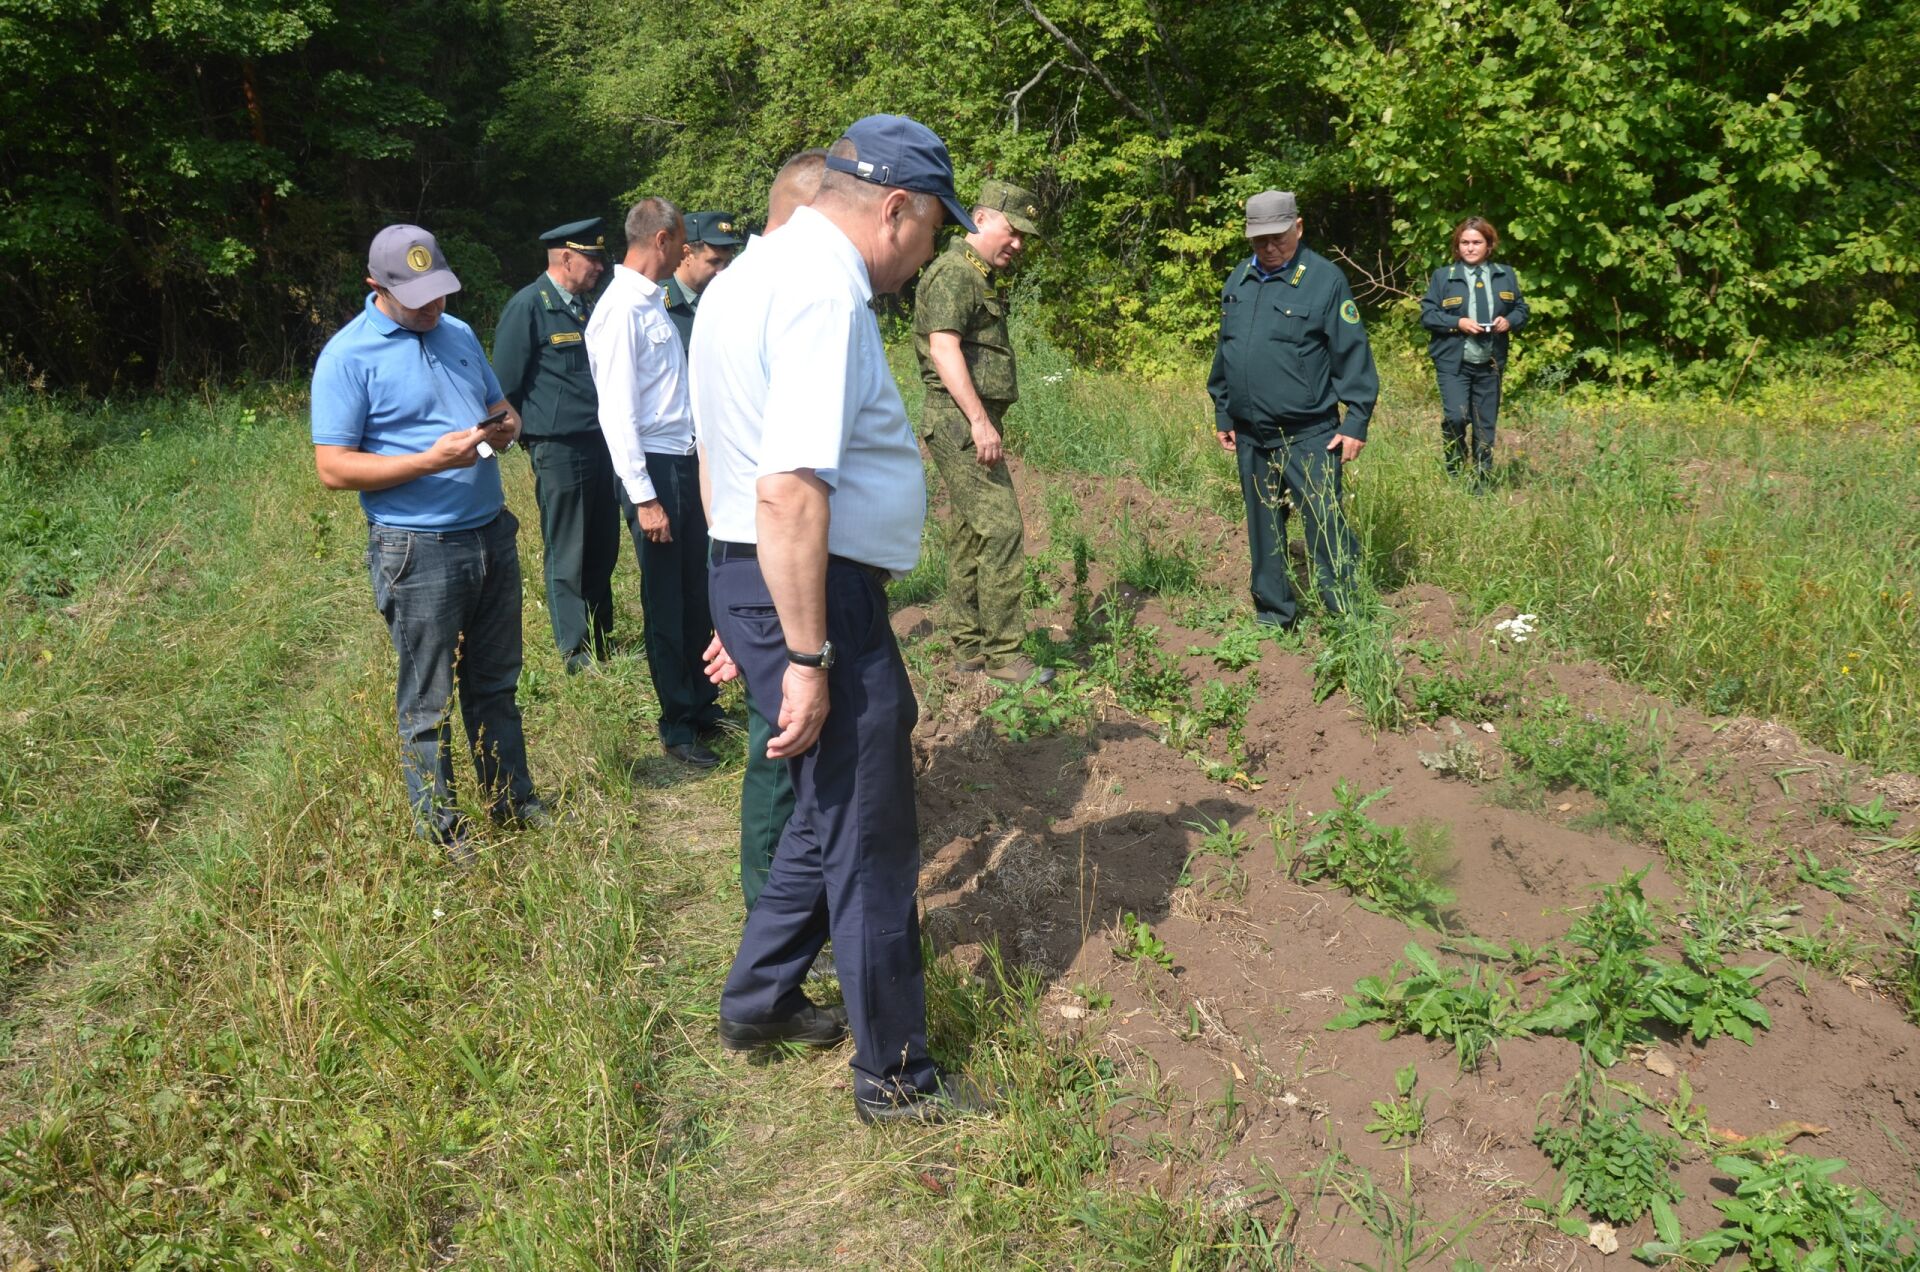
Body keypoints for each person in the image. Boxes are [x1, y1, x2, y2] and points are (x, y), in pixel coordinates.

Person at [690, 115, 989, 1124]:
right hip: (816, 591)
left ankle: (759, 1002)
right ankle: (895, 1079)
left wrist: (745, 604)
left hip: (767, 577)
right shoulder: (822, 290)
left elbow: (719, 465)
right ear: (894, 207)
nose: (929, 254)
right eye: (933, 230)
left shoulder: (742, 280)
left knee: (829, 810)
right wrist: (806, 649)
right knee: (869, 836)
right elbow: (787, 488)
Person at [311, 225, 546, 860]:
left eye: (440, 292)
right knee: (428, 700)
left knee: (495, 682)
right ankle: (440, 831)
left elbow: (503, 409)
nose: (434, 307)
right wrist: (429, 462)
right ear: (376, 287)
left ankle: (512, 801)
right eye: (419, 298)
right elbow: (333, 467)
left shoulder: (460, 333)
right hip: (417, 549)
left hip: (491, 533)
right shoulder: (347, 356)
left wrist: (503, 430)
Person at [698, 154, 824, 913]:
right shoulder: (781, 295)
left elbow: (714, 449)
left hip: (741, 559)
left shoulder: (727, 293)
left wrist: (727, 594)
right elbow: (781, 480)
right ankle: (774, 925)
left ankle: (776, 913)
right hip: (770, 563)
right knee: (784, 749)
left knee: (776, 746)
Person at [586, 197, 727, 767]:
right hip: (655, 469)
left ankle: (702, 702)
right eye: (684, 241)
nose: (687, 252)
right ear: (665, 239)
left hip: (683, 461)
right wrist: (644, 496)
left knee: (697, 591)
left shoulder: (651, 302)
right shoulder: (621, 308)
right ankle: (677, 724)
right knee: (667, 600)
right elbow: (616, 413)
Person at [1208, 190, 1379, 630]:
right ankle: (1273, 615)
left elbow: (1352, 353)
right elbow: (1225, 352)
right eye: (1259, 240)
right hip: (1251, 434)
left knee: (1325, 525)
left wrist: (1357, 419)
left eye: (1277, 238)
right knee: (1264, 529)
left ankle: (1346, 616)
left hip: (1309, 434)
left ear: (1298, 228)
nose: (1268, 248)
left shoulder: (1325, 280)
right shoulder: (1238, 280)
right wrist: (1223, 412)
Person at [913, 179, 1053, 685]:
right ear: (983, 218)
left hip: (962, 420)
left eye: (1024, 238)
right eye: (1013, 231)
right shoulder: (955, 273)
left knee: (972, 532)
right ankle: (1005, 654)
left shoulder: (973, 275)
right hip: (958, 421)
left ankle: (969, 646)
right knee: (1002, 529)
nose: (1017, 244)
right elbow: (944, 348)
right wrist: (978, 421)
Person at [491, 218, 617, 673]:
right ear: (566, 257)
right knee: (569, 549)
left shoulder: (586, 307)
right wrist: (529, 441)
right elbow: (503, 389)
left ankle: (603, 638)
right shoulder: (529, 306)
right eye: (593, 258)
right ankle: (575, 650)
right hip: (559, 449)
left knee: (603, 546)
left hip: (601, 444)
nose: (601, 267)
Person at [1419, 216, 1529, 485]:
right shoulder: (1444, 276)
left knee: (1484, 424)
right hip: (1454, 362)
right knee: (1457, 416)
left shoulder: (1505, 275)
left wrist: (1509, 321)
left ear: (1488, 245)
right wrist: (1458, 323)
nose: (1470, 248)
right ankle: (1455, 468)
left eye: (1476, 242)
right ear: (1458, 246)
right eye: (1464, 242)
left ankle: (1481, 480)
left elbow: (1521, 309)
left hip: (1490, 361)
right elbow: (1428, 315)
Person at [663, 212, 744, 350]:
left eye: (728, 262)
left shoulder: (732, 301)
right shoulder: (659, 305)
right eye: (714, 261)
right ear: (687, 254)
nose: (722, 271)